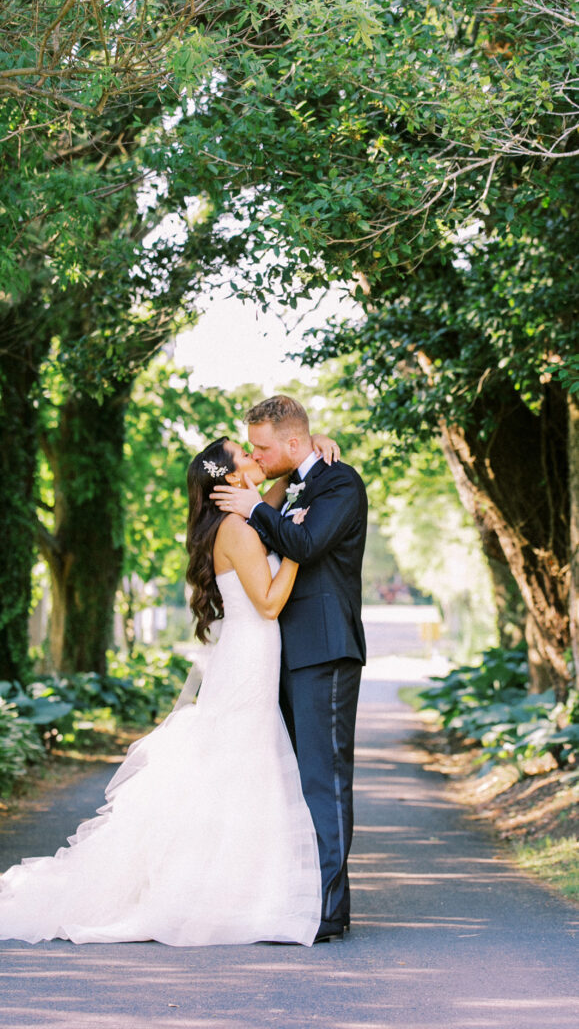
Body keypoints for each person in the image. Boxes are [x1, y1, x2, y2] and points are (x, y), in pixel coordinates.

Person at [0, 434, 337, 947]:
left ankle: (234, 886)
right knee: (241, 758)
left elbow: (281, 486)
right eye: (245, 454)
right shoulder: (238, 528)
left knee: (239, 759)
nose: (255, 457)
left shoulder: (241, 516)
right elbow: (267, 603)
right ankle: (220, 890)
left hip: (250, 651)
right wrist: (298, 553)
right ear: (232, 479)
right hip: (251, 648)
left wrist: (313, 447)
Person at [211, 395, 367, 942]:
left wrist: (253, 507)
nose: (255, 453)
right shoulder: (292, 484)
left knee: (324, 780)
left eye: (262, 446)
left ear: (295, 442)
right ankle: (295, 896)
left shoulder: (340, 483)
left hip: (323, 651)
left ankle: (328, 911)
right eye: (249, 447)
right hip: (277, 656)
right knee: (289, 782)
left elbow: (304, 541)